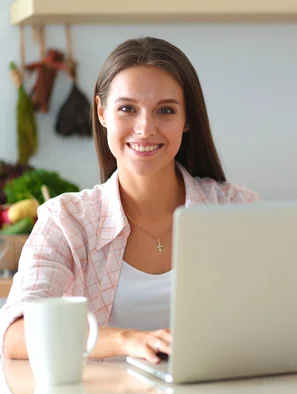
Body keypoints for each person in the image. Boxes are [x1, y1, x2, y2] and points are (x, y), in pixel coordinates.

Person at [0, 37, 260, 363]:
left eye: (165, 110)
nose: (145, 128)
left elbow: (281, 312)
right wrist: (126, 340)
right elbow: (15, 335)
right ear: (102, 112)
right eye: (127, 109)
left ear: (187, 119)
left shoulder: (236, 208)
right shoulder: (66, 221)